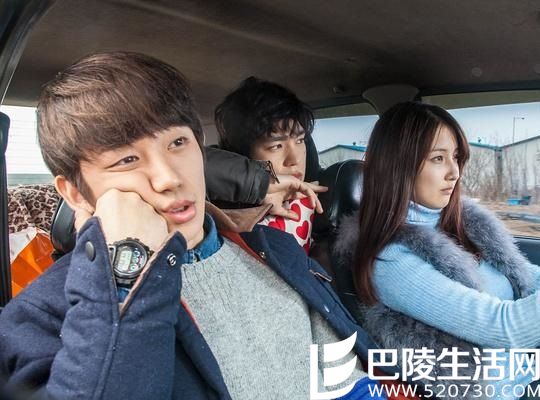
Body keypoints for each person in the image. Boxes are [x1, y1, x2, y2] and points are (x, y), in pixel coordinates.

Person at [0, 51, 384, 399]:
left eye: (178, 144)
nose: (169, 177)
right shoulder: (39, 317)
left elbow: (346, 369)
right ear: (75, 193)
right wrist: (125, 273)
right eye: (127, 160)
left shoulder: (272, 247)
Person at [332, 101, 540, 400]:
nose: (454, 172)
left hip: (527, 373)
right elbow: (504, 326)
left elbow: (530, 278)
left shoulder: (463, 225)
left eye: (456, 157)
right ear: (398, 166)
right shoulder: (390, 259)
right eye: (438, 158)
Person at [215, 76, 325, 252]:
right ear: (242, 155)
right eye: (276, 146)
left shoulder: (322, 204)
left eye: (300, 140)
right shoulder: (219, 217)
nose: (295, 159)